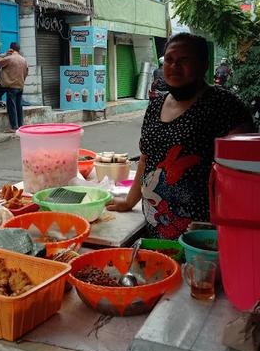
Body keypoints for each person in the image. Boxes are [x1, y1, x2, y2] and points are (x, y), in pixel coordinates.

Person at [108, 33, 253, 238]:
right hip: (157, 228)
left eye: (184, 60)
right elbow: (145, 158)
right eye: (169, 59)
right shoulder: (156, 105)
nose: (174, 66)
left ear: (203, 65)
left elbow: (245, 175)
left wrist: (223, 226)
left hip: (203, 236)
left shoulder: (225, 106)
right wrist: (130, 201)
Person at [0, 42, 28, 131]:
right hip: (20, 85)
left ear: (11, 49)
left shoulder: (9, 58)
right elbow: (26, 72)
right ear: (18, 49)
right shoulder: (23, 59)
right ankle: (20, 125)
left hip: (11, 86)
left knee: (12, 107)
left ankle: (14, 127)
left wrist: (4, 54)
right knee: (19, 106)